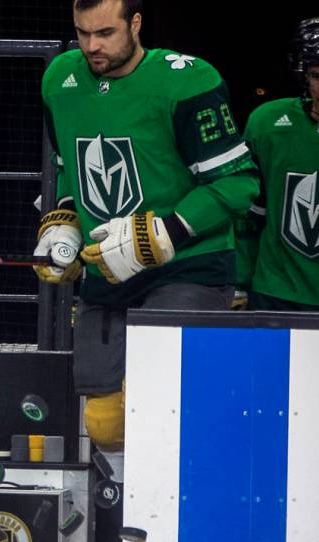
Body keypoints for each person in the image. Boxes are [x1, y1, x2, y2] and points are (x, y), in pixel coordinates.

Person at [33, 0, 259, 482]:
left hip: (189, 265)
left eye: (106, 32)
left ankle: (181, 506)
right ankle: (129, 514)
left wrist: (165, 232)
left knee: (166, 401)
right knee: (104, 420)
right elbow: (70, 168)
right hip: (107, 269)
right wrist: (65, 223)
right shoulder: (59, 80)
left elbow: (238, 184)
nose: (92, 45)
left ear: (136, 24)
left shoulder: (187, 80)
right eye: (82, 33)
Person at [235, 17, 319, 311]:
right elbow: (248, 211)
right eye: (318, 75)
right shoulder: (267, 123)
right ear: (303, 74)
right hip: (276, 291)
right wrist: (239, 282)